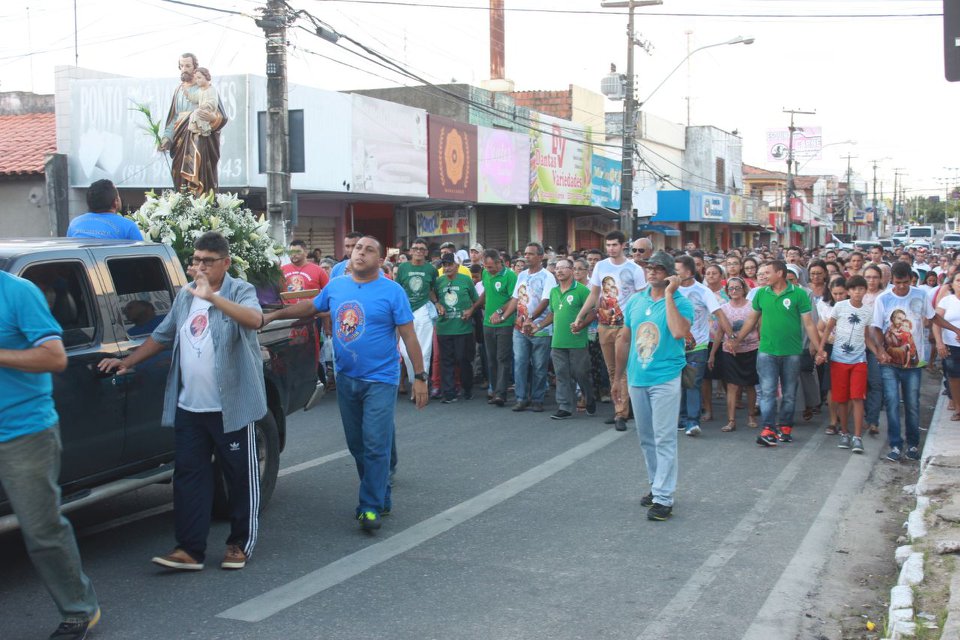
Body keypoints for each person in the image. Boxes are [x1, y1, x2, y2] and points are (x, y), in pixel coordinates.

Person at [99, 231, 267, 571]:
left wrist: (213, 297)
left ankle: (239, 543)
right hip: (191, 406)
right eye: (195, 260)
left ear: (226, 263)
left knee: (239, 477)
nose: (199, 266)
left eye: (207, 261)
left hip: (231, 407)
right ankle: (189, 549)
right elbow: (163, 335)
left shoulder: (239, 291)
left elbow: (255, 320)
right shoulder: (185, 296)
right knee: (189, 477)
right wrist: (128, 361)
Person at [264, 235, 428, 531]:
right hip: (346, 377)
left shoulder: (393, 292)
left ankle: (369, 505)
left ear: (380, 260)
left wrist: (419, 377)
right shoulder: (336, 286)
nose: (360, 253)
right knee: (357, 445)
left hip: (381, 379)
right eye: (357, 248)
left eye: (369, 250)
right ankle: (381, 495)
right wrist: (274, 315)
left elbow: (409, 335)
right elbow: (310, 308)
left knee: (375, 443)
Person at [0, 271, 101, 640]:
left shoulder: (17, 292)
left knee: (41, 529)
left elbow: (54, 357)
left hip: (22, 431)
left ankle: (79, 609)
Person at [612, 252, 694, 521]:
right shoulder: (636, 301)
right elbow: (624, 339)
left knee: (664, 438)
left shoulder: (681, 301)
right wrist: (617, 378)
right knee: (646, 438)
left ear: (670, 275)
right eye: (650, 267)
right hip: (637, 378)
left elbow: (680, 332)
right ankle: (655, 486)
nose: (652, 272)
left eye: (659, 269)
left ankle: (664, 497)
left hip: (665, 378)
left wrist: (670, 295)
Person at [872, 261, 960, 461]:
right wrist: (879, 350)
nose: (901, 286)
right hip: (889, 363)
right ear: (892, 280)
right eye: (897, 282)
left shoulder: (920, 295)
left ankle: (912, 445)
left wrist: (954, 329)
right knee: (893, 402)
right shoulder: (883, 299)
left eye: (905, 282)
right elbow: (876, 328)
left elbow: (934, 318)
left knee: (912, 403)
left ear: (911, 280)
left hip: (914, 363)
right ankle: (895, 445)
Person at [730, 261, 822, 447]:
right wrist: (737, 339)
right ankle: (768, 429)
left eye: (767, 272)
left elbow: (809, 324)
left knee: (789, 394)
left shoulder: (799, 294)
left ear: (779, 273)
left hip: (792, 353)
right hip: (767, 351)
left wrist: (819, 348)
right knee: (768, 392)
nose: (762, 276)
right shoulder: (761, 294)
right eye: (761, 273)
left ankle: (785, 427)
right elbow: (751, 320)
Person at [573, 231, 646, 431]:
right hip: (604, 324)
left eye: (615, 244)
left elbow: (642, 297)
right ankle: (620, 408)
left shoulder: (634, 269)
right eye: (608, 245)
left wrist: (638, 323)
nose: (611, 248)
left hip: (626, 325)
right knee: (612, 369)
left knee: (622, 370)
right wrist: (580, 315)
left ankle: (621, 413)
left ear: (623, 246)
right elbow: (594, 294)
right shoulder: (600, 266)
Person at [816, 276, 875, 454]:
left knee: (857, 397)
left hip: (859, 360)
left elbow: (866, 336)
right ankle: (844, 432)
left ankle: (857, 437)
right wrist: (821, 349)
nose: (857, 292)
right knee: (841, 398)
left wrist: (878, 351)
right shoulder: (840, 307)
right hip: (839, 359)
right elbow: (827, 328)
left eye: (861, 289)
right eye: (854, 289)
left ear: (866, 291)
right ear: (849, 291)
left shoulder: (867, 311)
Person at [674, 256, 731, 436]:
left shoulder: (703, 291)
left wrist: (732, 336)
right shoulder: (670, 291)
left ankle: (692, 422)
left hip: (697, 346)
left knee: (692, 383)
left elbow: (719, 313)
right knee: (676, 385)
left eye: (678, 270)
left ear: (689, 272)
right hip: (674, 346)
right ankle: (681, 419)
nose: (674, 274)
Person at [500, 243, 557, 413]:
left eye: (531, 254)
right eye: (525, 254)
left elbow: (546, 300)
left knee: (539, 365)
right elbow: (516, 299)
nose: (527, 257)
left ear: (540, 257)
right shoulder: (522, 275)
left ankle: (537, 398)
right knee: (520, 363)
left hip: (540, 328)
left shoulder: (548, 277)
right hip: (520, 328)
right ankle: (521, 398)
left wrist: (531, 318)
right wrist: (503, 316)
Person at [160, 53, 226, 195]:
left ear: (195, 67)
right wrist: (167, 137)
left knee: (199, 172)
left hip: (199, 139)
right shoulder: (178, 90)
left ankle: (200, 198)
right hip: (180, 140)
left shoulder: (206, 89)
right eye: (182, 66)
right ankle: (182, 201)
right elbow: (174, 118)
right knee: (179, 175)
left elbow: (221, 116)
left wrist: (212, 118)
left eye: (188, 66)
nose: (184, 69)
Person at [538, 258, 596, 419]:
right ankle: (564, 406)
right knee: (561, 373)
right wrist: (539, 326)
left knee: (580, 373)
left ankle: (589, 397)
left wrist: (581, 325)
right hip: (558, 341)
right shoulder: (554, 291)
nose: (559, 271)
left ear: (571, 270)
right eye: (557, 268)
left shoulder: (582, 290)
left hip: (577, 340)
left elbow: (592, 312)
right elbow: (553, 313)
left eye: (563, 268)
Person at [710, 276, 758, 432]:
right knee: (731, 385)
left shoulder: (753, 307)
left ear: (744, 289)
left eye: (738, 288)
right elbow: (719, 333)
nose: (734, 291)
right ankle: (731, 420)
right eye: (731, 288)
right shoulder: (723, 308)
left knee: (750, 384)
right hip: (730, 351)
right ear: (727, 291)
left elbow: (759, 329)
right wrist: (712, 354)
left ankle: (751, 415)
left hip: (751, 349)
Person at [396, 237, 439, 402]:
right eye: (416, 248)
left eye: (422, 249)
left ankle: (420, 388)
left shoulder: (431, 269)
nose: (419, 251)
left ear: (426, 252)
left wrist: (437, 303)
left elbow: (432, 289)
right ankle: (415, 381)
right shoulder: (402, 268)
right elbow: (398, 290)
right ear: (411, 251)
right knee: (406, 352)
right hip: (406, 312)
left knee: (425, 351)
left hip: (424, 311)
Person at [433, 253, 478, 403]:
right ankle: (449, 393)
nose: (447, 268)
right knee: (446, 361)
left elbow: (475, 300)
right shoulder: (439, 282)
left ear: (457, 266)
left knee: (463, 360)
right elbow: (431, 294)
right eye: (444, 265)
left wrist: (470, 311)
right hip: (444, 328)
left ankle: (467, 389)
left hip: (463, 328)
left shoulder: (466, 280)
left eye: (450, 264)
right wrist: (437, 304)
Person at [479, 249, 517, 407]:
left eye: (490, 267)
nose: (488, 270)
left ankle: (501, 394)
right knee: (491, 358)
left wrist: (500, 312)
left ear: (499, 262)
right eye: (486, 267)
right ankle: (494, 390)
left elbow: (514, 299)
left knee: (503, 358)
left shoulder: (510, 276)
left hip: (505, 324)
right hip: (487, 323)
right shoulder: (485, 274)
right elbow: (486, 293)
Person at [67, 179, 143, 240]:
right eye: (118, 196)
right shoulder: (128, 227)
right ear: (115, 202)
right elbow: (143, 256)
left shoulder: (75, 224)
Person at [936, 271, 960, 421]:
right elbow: (936, 321)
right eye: (958, 280)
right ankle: (958, 407)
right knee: (954, 377)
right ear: (952, 284)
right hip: (951, 345)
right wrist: (939, 342)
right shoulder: (946, 301)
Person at [282, 239, 329, 303]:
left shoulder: (319, 270)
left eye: (297, 252)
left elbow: (328, 292)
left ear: (306, 253)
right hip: (287, 310)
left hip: (311, 311)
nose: (294, 254)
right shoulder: (281, 270)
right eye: (291, 252)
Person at [187, 68, 219, 137]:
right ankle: (195, 127)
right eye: (196, 78)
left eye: (199, 78)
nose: (197, 80)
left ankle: (205, 130)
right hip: (201, 109)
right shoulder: (200, 90)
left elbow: (213, 101)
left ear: (206, 77)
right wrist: (187, 94)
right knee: (194, 114)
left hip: (209, 110)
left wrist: (206, 105)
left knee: (198, 113)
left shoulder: (212, 89)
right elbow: (194, 98)